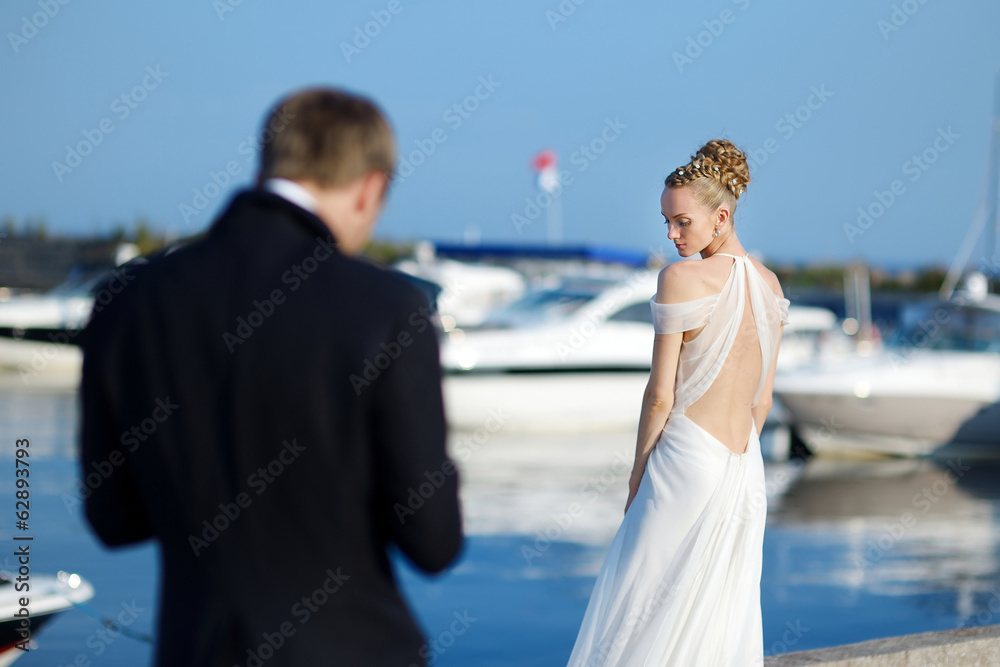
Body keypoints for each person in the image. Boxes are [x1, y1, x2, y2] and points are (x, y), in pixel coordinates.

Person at [79, 88, 464, 667]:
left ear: (267, 166)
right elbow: (433, 541)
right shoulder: (387, 308)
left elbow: (113, 518)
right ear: (372, 187)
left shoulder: (127, 300)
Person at [566, 139, 789, 666]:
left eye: (681, 222)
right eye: (666, 221)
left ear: (722, 216)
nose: (670, 234)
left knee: (637, 610)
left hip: (685, 461)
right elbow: (763, 401)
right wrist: (737, 463)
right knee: (720, 615)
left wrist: (637, 473)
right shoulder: (771, 285)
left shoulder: (681, 279)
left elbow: (660, 393)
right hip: (744, 467)